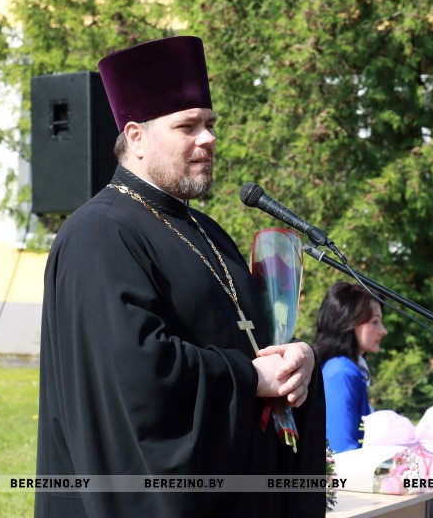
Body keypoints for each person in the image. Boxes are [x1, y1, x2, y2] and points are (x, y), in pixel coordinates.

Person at [35, 36, 326, 518]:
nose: (207, 138)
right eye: (187, 126)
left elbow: (256, 343)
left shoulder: (209, 233)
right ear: (136, 137)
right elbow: (136, 375)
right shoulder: (100, 235)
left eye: (210, 124)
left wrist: (299, 359)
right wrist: (249, 378)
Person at [314, 282, 387, 453]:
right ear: (349, 322)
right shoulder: (342, 372)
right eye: (375, 322)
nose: (383, 331)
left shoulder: (341, 368)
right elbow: (343, 451)